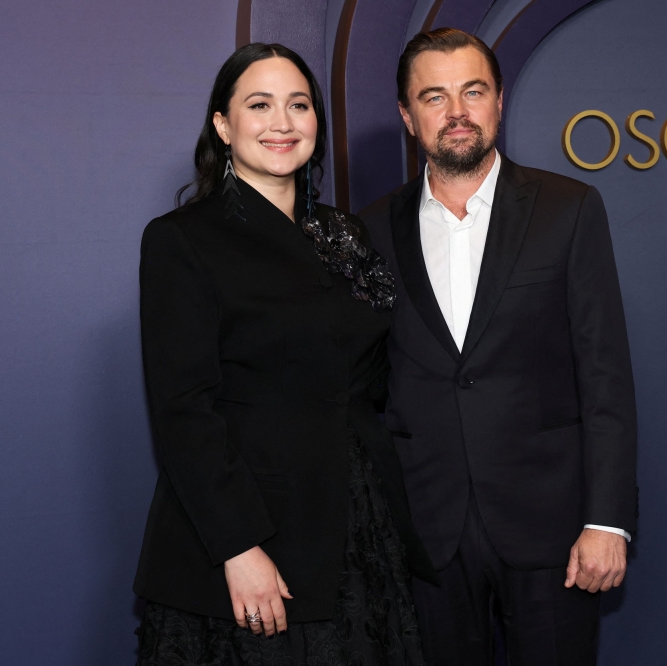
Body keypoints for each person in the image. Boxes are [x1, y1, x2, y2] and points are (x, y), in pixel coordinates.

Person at [132, 42, 435, 665]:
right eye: (259, 104)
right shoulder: (182, 240)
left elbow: (374, 375)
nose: (282, 122)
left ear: (316, 123)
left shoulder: (346, 235)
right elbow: (184, 409)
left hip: (356, 523)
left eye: (299, 105)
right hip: (248, 531)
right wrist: (238, 547)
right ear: (223, 124)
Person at [359, 28, 638, 665]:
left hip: (555, 533)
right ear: (407, 115)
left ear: (499, 101)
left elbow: (606, 377)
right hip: (428, 535)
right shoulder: (369, 230)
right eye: (434, 96)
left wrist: (608, 520)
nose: (456, 112)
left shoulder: (568, 208)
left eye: (472, 91)